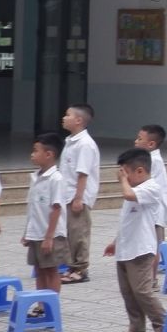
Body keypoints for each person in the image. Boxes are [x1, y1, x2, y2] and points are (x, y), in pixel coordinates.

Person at [106, 147, 167, 332]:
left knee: (142, 291)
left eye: (126, 173)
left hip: (141, 250)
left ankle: (162, 325)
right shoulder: (134, 189)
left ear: (140, 171)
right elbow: (127, 221)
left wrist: (123, 181)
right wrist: (115, 242)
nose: (124, 178)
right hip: (125, 249)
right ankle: (136, 327)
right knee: (128, 292)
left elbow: (128, 195)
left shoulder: (151, 187)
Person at [21, 132, 67, 308]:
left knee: (51, 270)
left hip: (51, 235)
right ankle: (41, 305)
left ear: (49, 154)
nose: (32, 154)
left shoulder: (56, 179)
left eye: (36, 151)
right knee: (39, 269)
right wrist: (27, 233)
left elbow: (56, 208)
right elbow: (33, 208)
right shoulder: (36, 176)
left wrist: (49, 237)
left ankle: (51, 306)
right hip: (36, 232)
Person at [59, 104, 100, 283]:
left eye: (67, 115)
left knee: (78, 233)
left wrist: (78, 198)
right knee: (70, 232)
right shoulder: (71, 141)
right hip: (67, 194)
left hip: (78, 196)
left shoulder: (85, 144)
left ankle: (81, 269)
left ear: (78, 120)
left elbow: (83, 173)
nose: (64, 118)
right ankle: (71, 267)